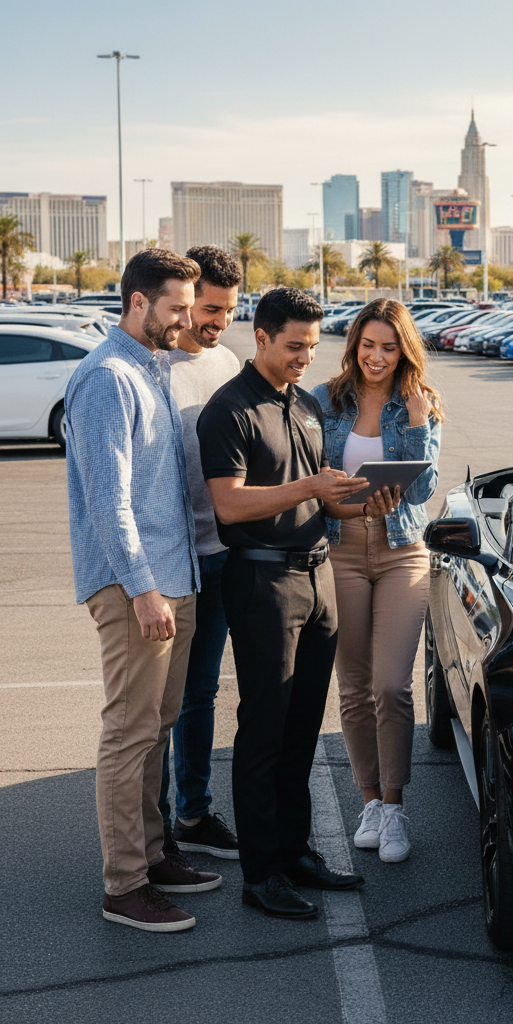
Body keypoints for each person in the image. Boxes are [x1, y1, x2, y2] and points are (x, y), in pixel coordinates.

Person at [197, 287, 368, 920]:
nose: (304, 357)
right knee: (264, 729)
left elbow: (323, 500)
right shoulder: (229, 410)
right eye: (294, 346)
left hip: (319, 576)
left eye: (312, 347)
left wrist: (364, 498)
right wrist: (310, 486)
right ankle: (261, 873)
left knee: (303, 728)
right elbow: (230, 505)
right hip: (262, 582)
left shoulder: (306, 405)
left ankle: (296, 853)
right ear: (261, 336)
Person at [65, 248, 221, 934]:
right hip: (139, 588)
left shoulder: (150, 367)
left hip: (172, 576)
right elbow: (111, 498)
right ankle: (124, 885)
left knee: (157, 727)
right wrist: (142, 588)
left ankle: (155, 857)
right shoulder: (108, 378)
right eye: (178, 306)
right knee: (128, 735)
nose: (188, 319)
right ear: (138, 302)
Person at [310, 298, 442, 864]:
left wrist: (415, 426)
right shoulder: (325, 399)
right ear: (354, 345)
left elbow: (420, 491)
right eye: (368, 345)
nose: (377, 356)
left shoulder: (422, 404)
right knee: (355, 688)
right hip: (340, 551)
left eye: (389, 347)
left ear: (404, 350)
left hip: (400, 551)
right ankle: (368, 800)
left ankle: (394, 810)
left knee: (393, 686)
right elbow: (306, 470)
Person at [158, 246, 243, 861]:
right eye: (210, 309)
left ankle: (193, 813)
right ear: (186, 301)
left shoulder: (228, 363)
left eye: (229, 311)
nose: (218, 322)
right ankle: (152, 827)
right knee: (158, 703)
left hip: (222, 553)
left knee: (201, 693)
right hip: (169, 563)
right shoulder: (151, 367)